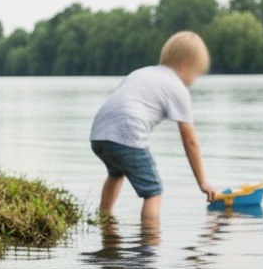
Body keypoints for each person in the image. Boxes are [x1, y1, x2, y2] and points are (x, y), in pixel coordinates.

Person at [90, 31, 215, 224]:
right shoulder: (177, 87)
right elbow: (190, 141)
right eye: (196, 73)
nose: (194, 79)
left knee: (115, 173)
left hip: (99, 134)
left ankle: (104, 222)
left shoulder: (142, 72)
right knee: (153, 192)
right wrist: (203, 182)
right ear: (185, 65)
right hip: (128, 134)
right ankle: (149, 243)